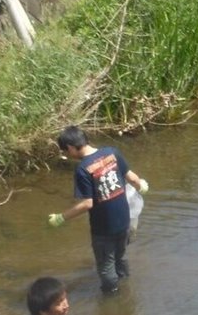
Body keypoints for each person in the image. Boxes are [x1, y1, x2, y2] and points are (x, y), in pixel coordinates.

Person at [48, 125, 148, 295]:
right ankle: (126, 287)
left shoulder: (82, 169)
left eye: (66, 151)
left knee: (106, 265)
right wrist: (141, 185)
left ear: (71, 147)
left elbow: (88, 203)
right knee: (120, 256)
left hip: (104, 228)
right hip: (125, 220)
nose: (68, 154)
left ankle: (112, 298)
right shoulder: (112, 153)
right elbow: (132, 178)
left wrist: (61, 217)